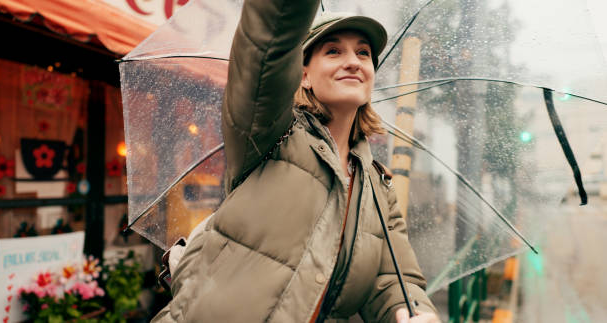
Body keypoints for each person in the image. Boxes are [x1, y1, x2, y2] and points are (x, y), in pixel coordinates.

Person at [153, 0, 439, 322]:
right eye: (333, 51)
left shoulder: (378, 187)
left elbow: (392, 280)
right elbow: (267, 47)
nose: (353, 62)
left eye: (363, 53)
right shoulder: (269, 134)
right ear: (303, 75)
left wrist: (411, 311)